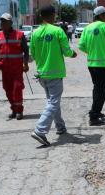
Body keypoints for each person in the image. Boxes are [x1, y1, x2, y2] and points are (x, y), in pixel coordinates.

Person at [29, 5, 77, 146]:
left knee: (52, 101)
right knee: (53, 102)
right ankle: (40, 130)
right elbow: (67, 51)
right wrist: (73, 54)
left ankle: (60, 127)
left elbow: (33, 54)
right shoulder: (57, 31)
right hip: (55, 73)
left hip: (42, 73)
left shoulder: (35, 33)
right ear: (52, 15)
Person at [79, 6, 105, 126]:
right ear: (101, 15)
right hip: (102, 64)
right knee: (100, 91)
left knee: (96, 88)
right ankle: (94, 115)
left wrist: (92, 52)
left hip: (91, 63)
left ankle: (96, 112)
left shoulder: (87, 28)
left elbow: (81, 46)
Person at [0, 13, 29, 120]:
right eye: (2, 21)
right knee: (7, 89)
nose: (3, 23)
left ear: (10, 23)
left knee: (17, 89)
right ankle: (14, 109)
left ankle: (19, 111)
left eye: (5, 22)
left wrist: (25, 64)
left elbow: (26, 51)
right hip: (5, 69)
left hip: (17, 68)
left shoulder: (20, 35)